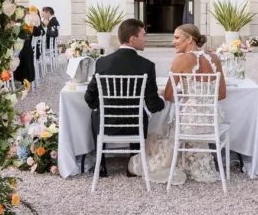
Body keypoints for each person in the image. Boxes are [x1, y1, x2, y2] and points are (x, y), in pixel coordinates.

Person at [127, 24, 227, 184]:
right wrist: (198, 98)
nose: (173, 41)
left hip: (190, 121)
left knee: (166, 132)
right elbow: (221, 94)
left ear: (189, 39)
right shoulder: (214, 58)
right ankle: (191, 161)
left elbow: (168, 96)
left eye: (177, 37)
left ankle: (178, 161)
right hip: (212, 119)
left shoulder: (181, 59)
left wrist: (184, 96)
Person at [85, 19, 165, 178]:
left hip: (106, 124)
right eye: (144, 35)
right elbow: (153, 105)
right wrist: (162, 99)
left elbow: (89, 97)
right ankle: (133, 165)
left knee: (95, 113)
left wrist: (101, 107)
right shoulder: (146, 66)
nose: (146, 39)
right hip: (135, 125)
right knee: (141, 112)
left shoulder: (102, 62)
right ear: (133, 39)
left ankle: (100, 165)